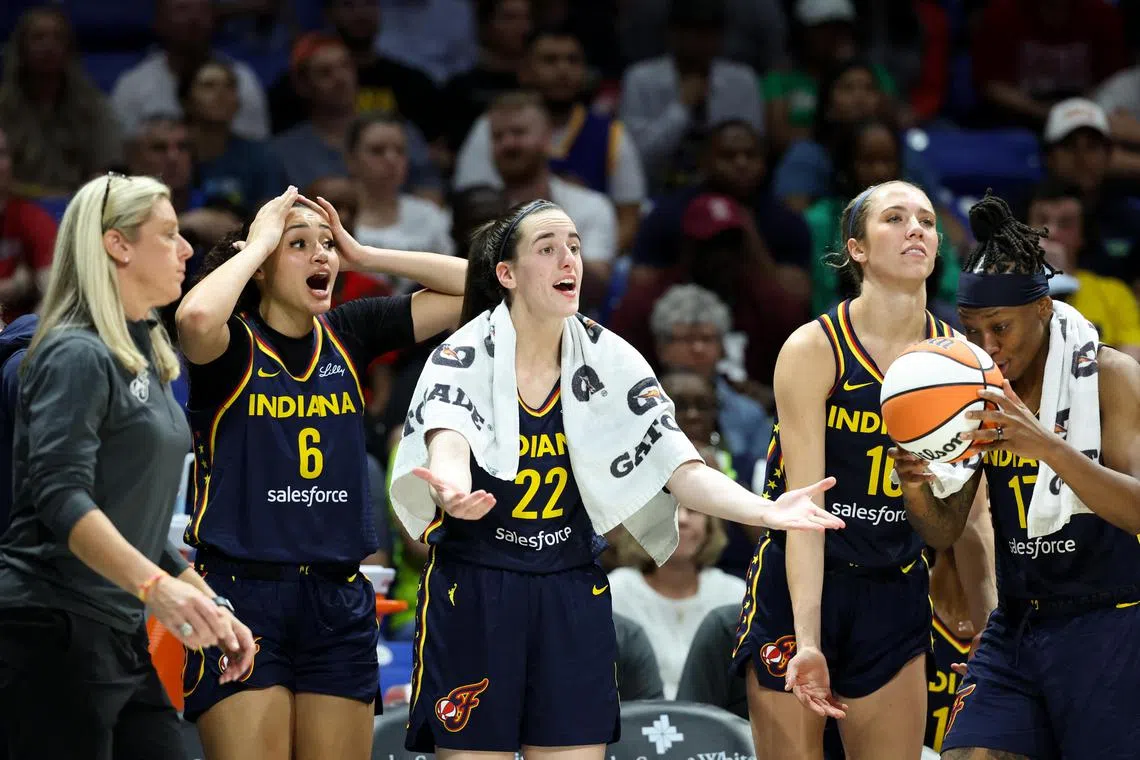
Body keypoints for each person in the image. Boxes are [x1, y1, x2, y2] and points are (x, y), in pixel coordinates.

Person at [402, 199, 844, 756]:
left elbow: (678, 466)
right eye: (548, 248)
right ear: (506, 275)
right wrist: (451, 485)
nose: (569, 260)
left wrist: (764, 510)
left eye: (575, 246)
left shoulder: (611, 360)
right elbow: (448, 437)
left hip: (569, 586)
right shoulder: (464, 352)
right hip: (479, 585)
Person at [175, 184, 467, 759]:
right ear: (259, 264)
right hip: (241, 594)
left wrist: (367, 256)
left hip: (337, 599)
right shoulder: (231, 348)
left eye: (327, 244)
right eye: (299, 244)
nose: (322, 257)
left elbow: (478, 285)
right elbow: (196, 315)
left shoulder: (349, 332)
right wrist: (256, 243)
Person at [732, 180, 991, 759]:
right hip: (803, 579)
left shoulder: (963, 362)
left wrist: (992, 630)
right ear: (857, 249)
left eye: (925, 220)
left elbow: (973, 518)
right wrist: (807, 639)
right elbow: (804, 510)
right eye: (895, 219)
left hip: (895, 584)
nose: (916, 229)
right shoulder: (813, 348)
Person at [0, 173, 255, 760]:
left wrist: (205, 601)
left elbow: (127, 510)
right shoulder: (73, 352)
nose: (187, 249)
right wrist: (157, 588)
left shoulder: (144, 353)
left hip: (114, 627)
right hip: (49, 628)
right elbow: (61, 498)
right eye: (168, 235)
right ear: (117, 245)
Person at [893, 192, 1140, 760]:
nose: (988, 348)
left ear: (1043, 310)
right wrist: (916, 484)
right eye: (973, 331)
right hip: (1018, 621)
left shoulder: (1109, 376)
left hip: (1111, 618)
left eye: (1000, 329)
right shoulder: (966, 384)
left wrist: (1046, 446)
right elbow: (942, 532)